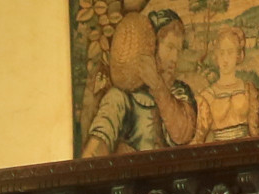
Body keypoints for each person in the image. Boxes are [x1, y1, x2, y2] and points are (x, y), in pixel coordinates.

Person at [81, 10, 197, 156]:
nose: (174, 58)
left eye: (178, 51)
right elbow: (96, 148)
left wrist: (158, 86)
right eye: (170, 48)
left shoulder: (180, 91)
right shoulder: (122, 97)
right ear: (151, 47)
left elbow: (183, 134)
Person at [195, 25, 258, 143]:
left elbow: (255, 132)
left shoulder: (248, 90)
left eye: (230, 52)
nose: (225, 59)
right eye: (222, 53)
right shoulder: (206, 96)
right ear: (216, 56)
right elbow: (199, 138)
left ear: (238, 55)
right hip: (218, 155)